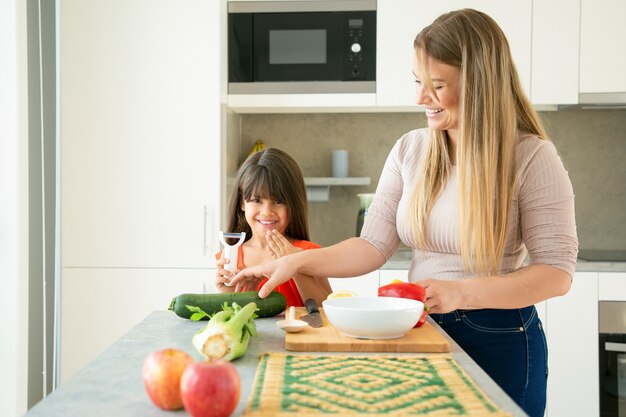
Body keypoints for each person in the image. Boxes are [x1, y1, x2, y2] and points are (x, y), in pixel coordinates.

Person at [230, 9, 578, 417]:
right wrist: (296, 260)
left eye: (436, 85)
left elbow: (556, 273)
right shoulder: (411, 150)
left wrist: (460, 292)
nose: (419, 98)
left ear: (480, 83)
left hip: (499, 336)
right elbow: (372, 245)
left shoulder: (532, 156)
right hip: (420, 326)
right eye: (418, 82)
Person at [215, 147, 332, 307]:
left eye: (278, 201)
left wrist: (296, 266)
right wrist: (226, 293)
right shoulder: (230, 257)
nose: (267, 212)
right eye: (257, 200)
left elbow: (327, 308)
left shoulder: (309, 252)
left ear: (293, 204)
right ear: (242, 203)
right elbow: (232, 317)